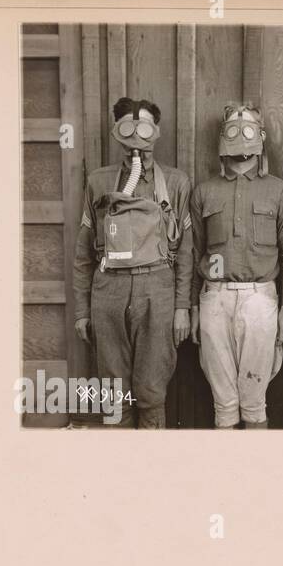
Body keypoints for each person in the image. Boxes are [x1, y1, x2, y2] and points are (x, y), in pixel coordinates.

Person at [71, 97, 192, 428]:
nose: (136, 140)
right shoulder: (98, 182)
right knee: (114, 392)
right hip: (109, 290)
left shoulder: (177, 183)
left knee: (152, 391)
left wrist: (182, 307)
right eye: (127, 127)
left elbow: (186, 251)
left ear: (156, 131)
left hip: (158, 288)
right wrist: (82, 310)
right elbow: (83, 252)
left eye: (144, 128)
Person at [189, 103, 283, 429]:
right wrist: (194, 307)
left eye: (248, 128)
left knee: (254, 402)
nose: (241, 136)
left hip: (260, 298)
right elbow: (193, 253)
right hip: (215, 300)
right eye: (233, 129)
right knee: (223, 402)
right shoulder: (204, 191)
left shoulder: (278, 190)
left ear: (260, 136)